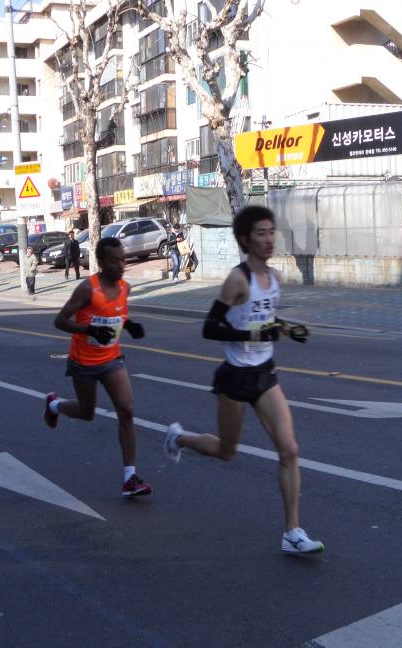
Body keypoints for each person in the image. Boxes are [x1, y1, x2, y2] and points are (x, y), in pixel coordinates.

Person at [163, 206, 324, 555]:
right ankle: (180, 438)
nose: (269, 239)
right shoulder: (237, 280)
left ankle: (292, 532)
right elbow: (210, 328)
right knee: (227, 451)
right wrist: (251, 334)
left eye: (271, 232)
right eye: (261, 233)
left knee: (290, 450)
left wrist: (286, 328)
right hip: (234, 377)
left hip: (264, 374)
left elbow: (265, 317)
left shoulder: (275, 277)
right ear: (245, 240)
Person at [44, 237, 151, 497]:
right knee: (86, 413)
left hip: (112, 359)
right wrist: (90, 330)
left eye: (123, 259)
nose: (121, 265)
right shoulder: (87, 289)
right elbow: (60, 321)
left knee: (126, 411)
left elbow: (116, 314)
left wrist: (130, 325)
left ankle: (130, 478)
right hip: (83, 362)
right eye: (114, 261)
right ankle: (54, 405)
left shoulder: (125, 287)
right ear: (101, 262)